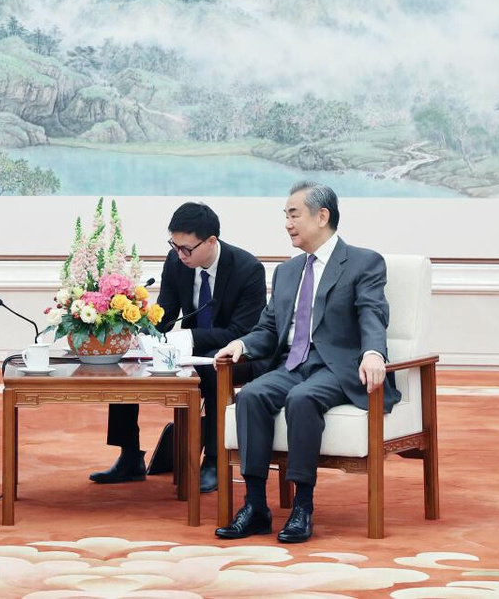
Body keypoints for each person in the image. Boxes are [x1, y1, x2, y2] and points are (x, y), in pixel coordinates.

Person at [214, 181, 398, 543]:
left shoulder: (363, 262)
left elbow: (372, 313)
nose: (287, 223)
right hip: (292, 363)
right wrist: (241, 343)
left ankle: (303, 507)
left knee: (303, 400)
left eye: (293, 214)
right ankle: (255, 507)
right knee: (250, 395)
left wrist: (374, 353)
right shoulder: (287, 271)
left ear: (322, 216)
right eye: (285, 216)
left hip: (338, 366)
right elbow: (268, 328)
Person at [90, 202, 268, 492]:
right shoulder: (176, 262)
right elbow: (167, 313)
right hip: (193, 349)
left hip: (240, 353)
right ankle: (130, 456)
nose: (180, 254)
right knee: (129, 360)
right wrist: (138, 335)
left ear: (211, 241)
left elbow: (243, 331)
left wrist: (188, 339)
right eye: (175, 246)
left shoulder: (247, 269)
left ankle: (213, 461)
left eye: (187, 249)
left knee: (212, 367)